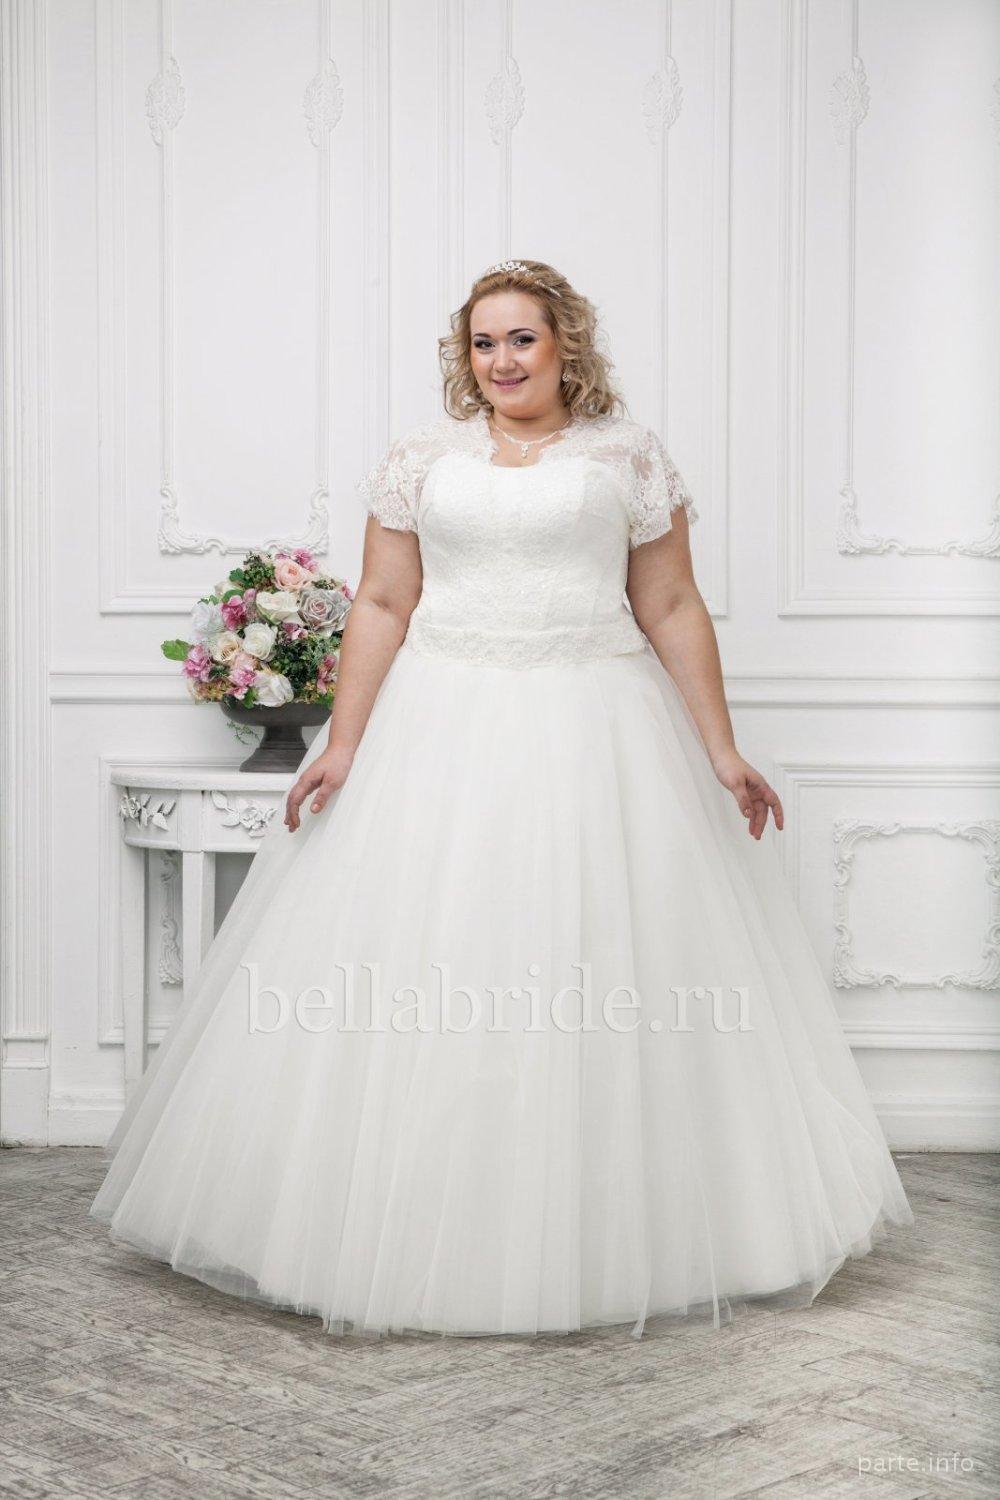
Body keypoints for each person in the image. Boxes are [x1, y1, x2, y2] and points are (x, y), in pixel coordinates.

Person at [90, 259, 914, 1339]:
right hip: (439, 727)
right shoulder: (419, 460)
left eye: (522, 339)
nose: (501, 361)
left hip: (598, 728)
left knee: (598, 975)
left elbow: (670, 603)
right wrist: (344, 743)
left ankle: (608, 1240)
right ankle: (407, 1235)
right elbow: (384, 603)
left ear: (566, 345)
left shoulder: (626, 457)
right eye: (483, 343)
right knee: (429, 969)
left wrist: (719, 749)